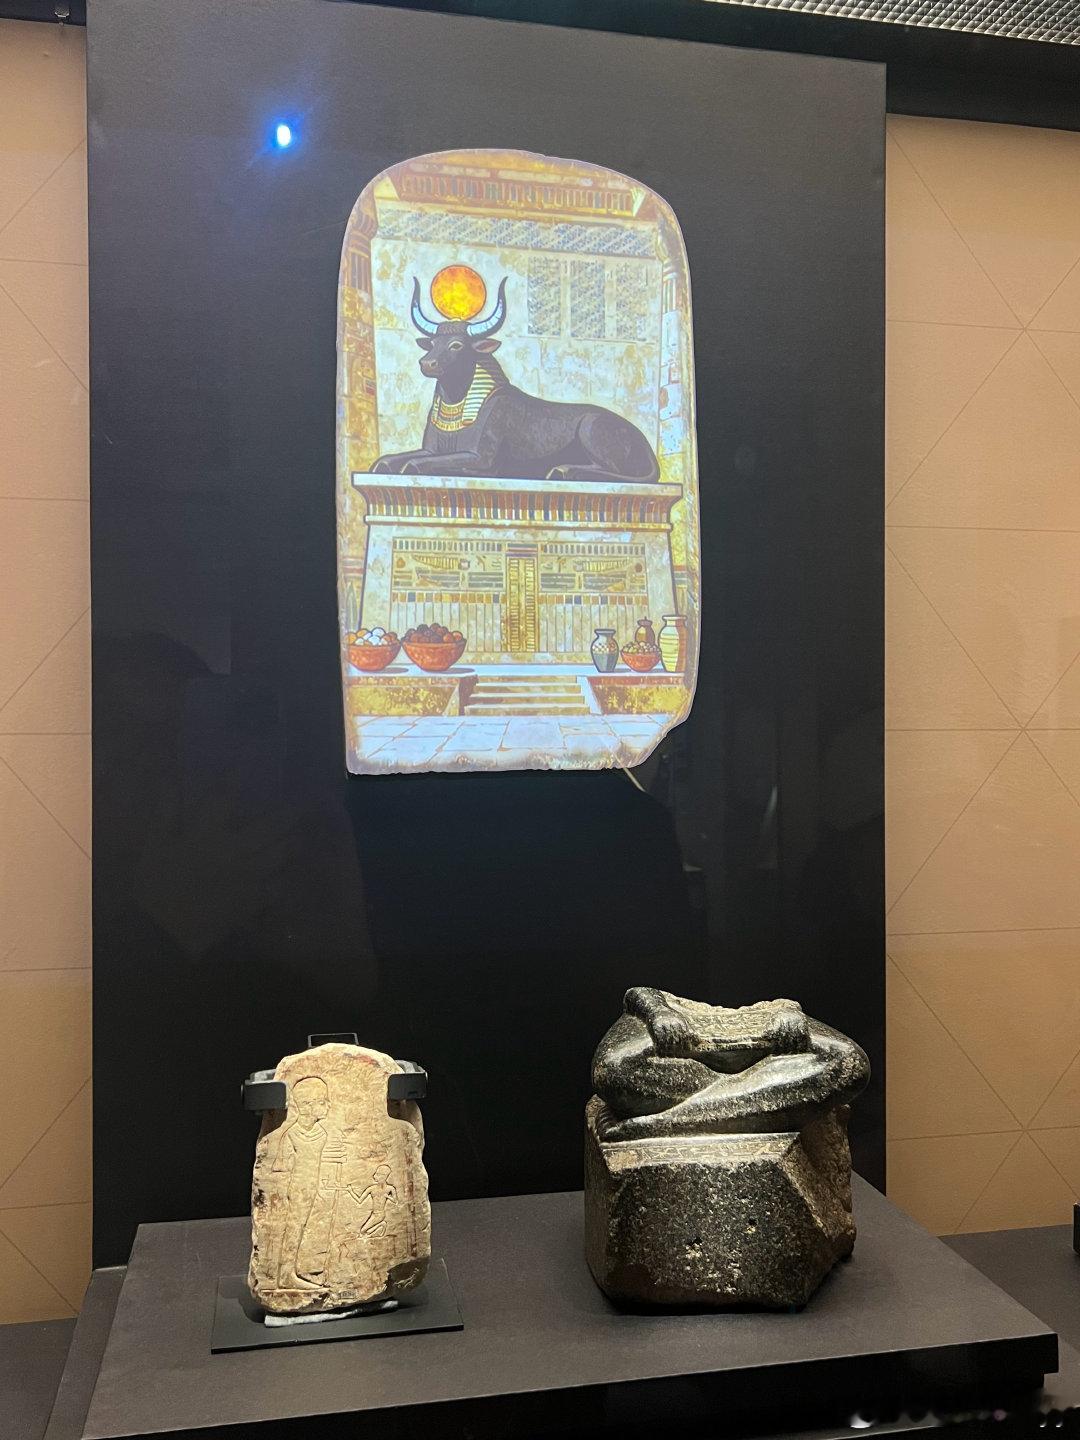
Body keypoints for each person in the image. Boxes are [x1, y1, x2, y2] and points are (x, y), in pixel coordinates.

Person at [592, 986, 868, 1141]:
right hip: (770, 1076)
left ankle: (663, 1123)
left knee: (851, 1065)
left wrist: (789, 1010)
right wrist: (658, 1011)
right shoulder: (657, 1009)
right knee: (613, 1073)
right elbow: (637, 993)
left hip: (777, 1055)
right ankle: (746, 1100)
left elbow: (848, 1059)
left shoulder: (782, 1012)